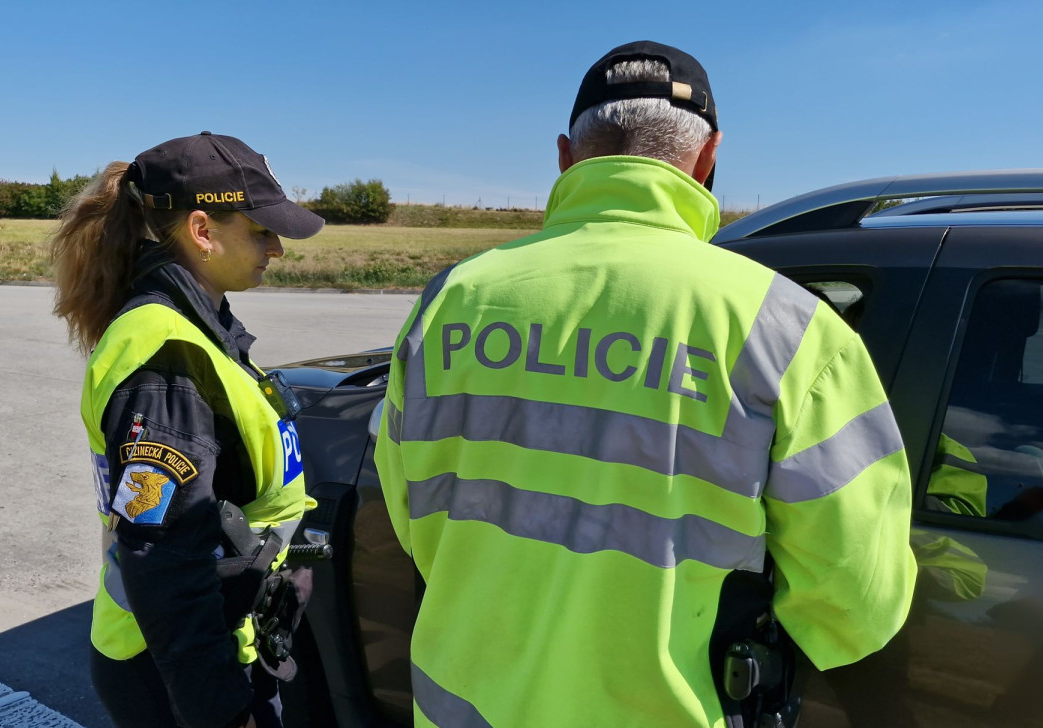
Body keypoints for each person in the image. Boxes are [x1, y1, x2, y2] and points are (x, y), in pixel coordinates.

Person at [375, 41, 917, 727]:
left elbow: (410, 511)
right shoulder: (789, 329)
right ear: (709, 156)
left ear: (567, 157)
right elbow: (856, 595)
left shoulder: (450, 300)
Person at [51, 132, 324, 728]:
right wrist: (224, 713)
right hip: (176, 671)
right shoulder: (166, 357)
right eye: (260, 230)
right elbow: (164, 561)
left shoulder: (198, 328)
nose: (277, 248)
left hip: (215, 644)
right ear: (203, 231)